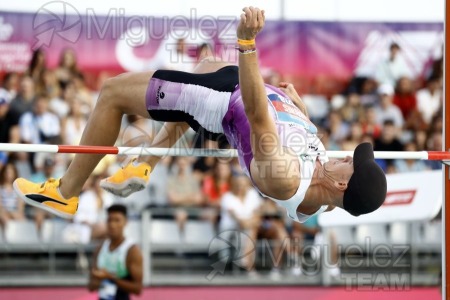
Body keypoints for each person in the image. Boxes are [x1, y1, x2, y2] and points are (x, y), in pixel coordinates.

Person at [14, 7, 387, 223]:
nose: (345, 155)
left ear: (342, 186)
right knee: (206, 62)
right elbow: (301, 139)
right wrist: (298, 111)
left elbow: (258, 118)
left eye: (350, 164)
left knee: (112, 93)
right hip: (234, 89)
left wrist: (246, 43)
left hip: (224, 100)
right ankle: (143, 165)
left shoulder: (287, 180)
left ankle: (66, 192)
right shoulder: (325, 175)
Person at [88, 204, 143, 300]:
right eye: (109, 220)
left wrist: (110, 278)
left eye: (117, 220)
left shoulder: (132, 251)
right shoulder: (100, 248)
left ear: (125, 222)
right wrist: (97, 280)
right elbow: (91, 286)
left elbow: (137, 289)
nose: (112, 224)